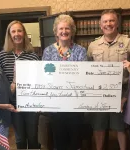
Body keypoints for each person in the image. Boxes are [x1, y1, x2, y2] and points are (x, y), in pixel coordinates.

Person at [87, 9, 130, 150]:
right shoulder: (93, 46)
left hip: (121, 93)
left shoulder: (128, 43)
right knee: (98, 127)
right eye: (105, 21)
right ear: (100, 25)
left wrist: (125, 97)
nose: (108, 24)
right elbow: (88, 69)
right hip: (98, 94)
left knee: (121, 128)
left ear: (117, 23)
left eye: (111, 20)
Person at [42, 14, 87, 150]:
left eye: (67, 28)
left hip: (75, 104)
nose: (64, 31)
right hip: (56, 105)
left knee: (75, 141)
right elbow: (45, 77)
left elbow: (82, 76)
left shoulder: (80, 51)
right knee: (59, 141)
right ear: (56, 31)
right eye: (61, 28)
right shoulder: (48, 51)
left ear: (72, 31)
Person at [0, 20, 40, 149]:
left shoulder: (33, 56)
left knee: (33, 137)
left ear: (24, 34)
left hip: (31, 103)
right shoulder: (2, 56)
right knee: (20, 138)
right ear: (9, 35)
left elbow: (38, 81)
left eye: (19, 31)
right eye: (13, 31)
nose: (17, 34)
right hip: (13, 105)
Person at [0, 40, 16, 150]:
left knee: (2, 147)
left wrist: (14, 83)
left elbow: (7, 92)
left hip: (3, 120)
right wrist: (5, 106)